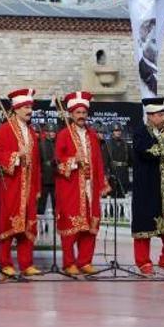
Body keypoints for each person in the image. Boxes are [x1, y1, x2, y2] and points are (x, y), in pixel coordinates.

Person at [54, 92, 109, 275]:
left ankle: (85, 261)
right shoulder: (63, 135)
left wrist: (102, 183)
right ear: (71, 114)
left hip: (90, 188)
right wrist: (73, 160)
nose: (81, 116)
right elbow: (57, 162)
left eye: (84, 112)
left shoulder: (93, 135)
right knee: (71, 225)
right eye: (78, 112)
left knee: (90, 226)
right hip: (70, 187)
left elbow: (99, 161)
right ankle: (69, 262)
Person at [0, 88, 42, 277]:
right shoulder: (5, 130)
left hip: (27, 186)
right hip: (10, 186)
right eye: (26, 107)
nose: (30, 110)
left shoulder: (31, 133)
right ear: (17, 109)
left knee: (27, 226)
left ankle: (26, 263)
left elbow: (36, 163)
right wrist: (16, 155)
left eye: (31, 107)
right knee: (8, 225)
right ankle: (5, 263)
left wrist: (36, 186)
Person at [131, 97, 164, 276]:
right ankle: (143, 262)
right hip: (148, 189)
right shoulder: (140, 133)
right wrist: (163, 137)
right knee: (144, 224)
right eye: (160, 115)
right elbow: (148, 153)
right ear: (150, 116)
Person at [105, 123, 132, 197]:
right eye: (116, 130)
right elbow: (105, 161)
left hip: (124, 173)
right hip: (112, 172)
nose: (118, 132)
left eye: (119, 130)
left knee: (123, 195)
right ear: (112, 132)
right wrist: (106, 174)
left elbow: (131, 160)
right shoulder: (107, 144)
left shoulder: (126, 144)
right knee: (112, 196)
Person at [38, 121, 57, 216]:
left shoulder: (58, 144)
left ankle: (56, 226)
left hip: (55, 178)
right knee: (41, 204)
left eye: (53, 131)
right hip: (44, 179)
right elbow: (38, 161)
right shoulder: (41, 144)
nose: (52, 133)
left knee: (56, 204)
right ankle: (39, 227)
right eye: (50, 131)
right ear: (46, 133)